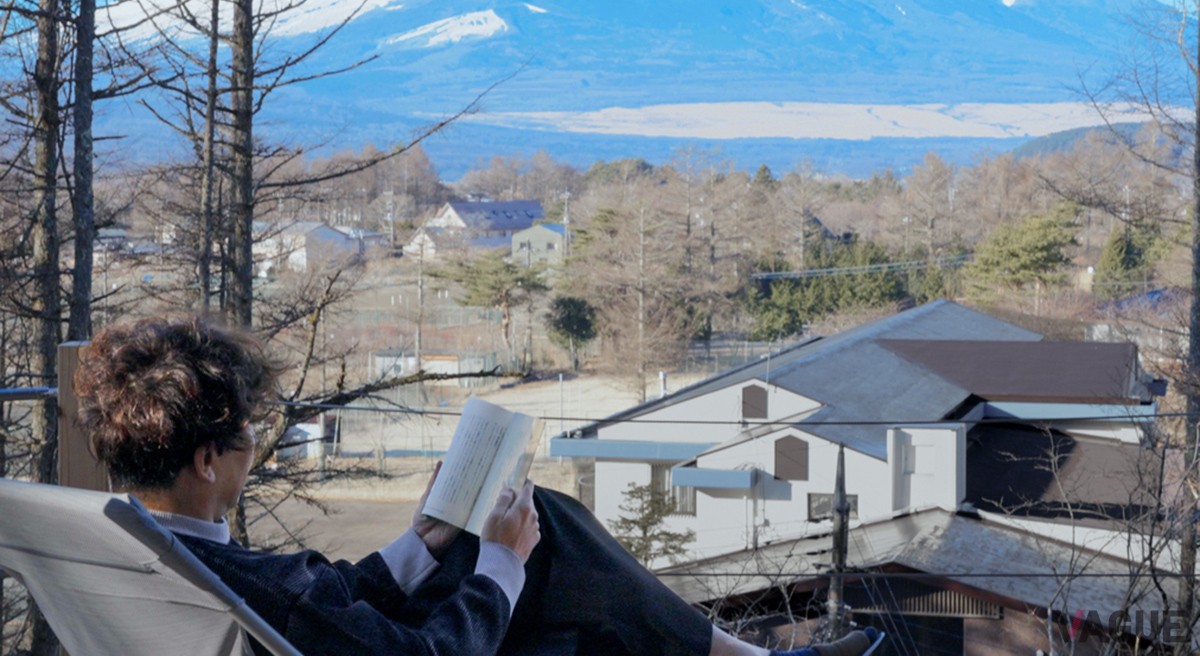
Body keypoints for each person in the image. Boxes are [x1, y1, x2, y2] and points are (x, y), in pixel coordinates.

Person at [74, 316, 878, 656]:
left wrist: (423, 540)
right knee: (547, 561)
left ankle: (731, 654)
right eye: (246, 431)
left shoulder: (123, 546)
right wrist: (499, 565)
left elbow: (333, 604)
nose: (257, 444)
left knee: (537, 530)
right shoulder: (258, 586)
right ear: (207, 461)